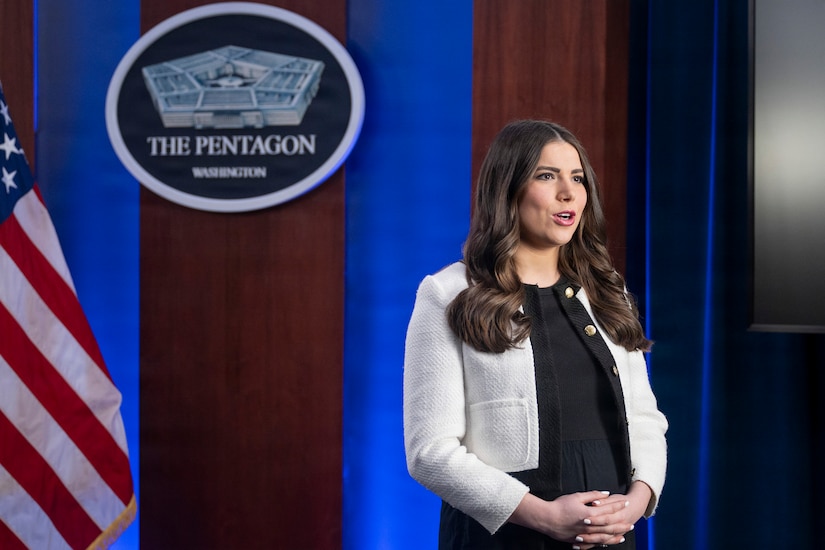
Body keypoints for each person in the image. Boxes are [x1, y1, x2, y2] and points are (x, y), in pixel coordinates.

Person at [403, 120, 667, 549]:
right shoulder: (448, 294)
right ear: (507, 189)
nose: (568, 193)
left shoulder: (606, 290)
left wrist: (637, 501)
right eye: (547, 176)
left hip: (609, 537)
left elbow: (644, 418)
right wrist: (545, 517)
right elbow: (429, 453)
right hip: (500, 539)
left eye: (577, 178)